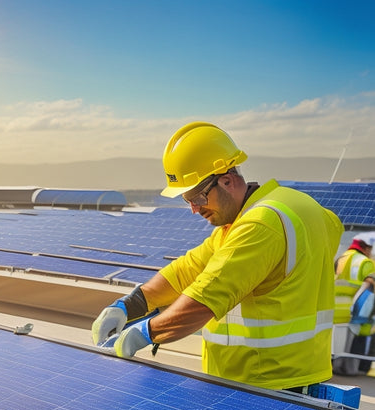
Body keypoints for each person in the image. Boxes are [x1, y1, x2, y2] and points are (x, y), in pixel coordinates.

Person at [92, 121, 344, 391]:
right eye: (187, 200)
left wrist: (144, 333)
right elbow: (187, 270)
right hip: (291, 378)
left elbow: (203, 301)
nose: (193, 209)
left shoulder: (260, 225)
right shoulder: (294, 207)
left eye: (198, 198)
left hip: (264, 384)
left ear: (227, 179)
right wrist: (130, 305)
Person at [333, 235, 375, 375]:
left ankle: (336, 366)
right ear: (366, 247)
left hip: (335, 306)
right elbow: (368, 287)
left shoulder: (342, 257)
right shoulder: (365, 262)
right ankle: (350, 370)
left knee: (336, 342)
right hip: (355, 308)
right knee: (352, 342)